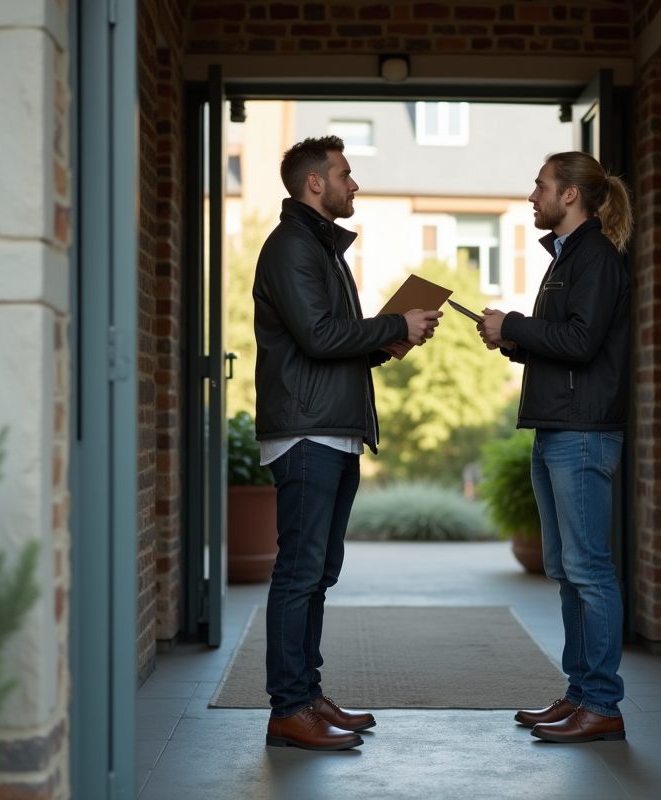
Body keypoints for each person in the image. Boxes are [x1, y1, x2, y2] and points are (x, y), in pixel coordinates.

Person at [253, 136, 441, 750]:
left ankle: (306, 694)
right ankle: (288, 708)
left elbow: (332, 341)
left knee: (319, 571)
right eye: (346, 173)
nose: (354, 184)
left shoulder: (319, 248)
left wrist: (386, 343)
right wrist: (394, 324)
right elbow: (315, 334)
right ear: (315, 183)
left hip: (332, 430)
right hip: (307, 434)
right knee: (300, 572)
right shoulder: (291, 247)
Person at [477, 151, 632, 744]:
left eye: (540, 185)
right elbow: (564, 342)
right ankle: (578, 695)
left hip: (584, 432)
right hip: (558, 426)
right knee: (570, 571)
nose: (532, 195)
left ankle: (603, 705)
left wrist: (513, 325)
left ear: (570, 195)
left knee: (590, 571)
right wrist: (511, 340)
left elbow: (582, 340)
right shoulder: (568, 259)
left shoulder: (594, 257)